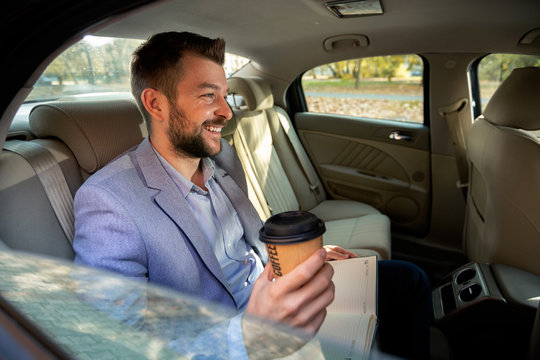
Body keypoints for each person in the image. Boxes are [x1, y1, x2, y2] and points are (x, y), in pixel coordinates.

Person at [73, 31, 432, 359]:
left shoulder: (222, 157)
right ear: (156, 105)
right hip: (233, 341)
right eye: (207, 95)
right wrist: (250, 335)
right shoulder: (109, 201)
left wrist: (305, 260)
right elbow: (114, 345)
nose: (227, 111)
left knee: (408, 280)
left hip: (277, 292)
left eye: (224, 95)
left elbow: (252, 245)